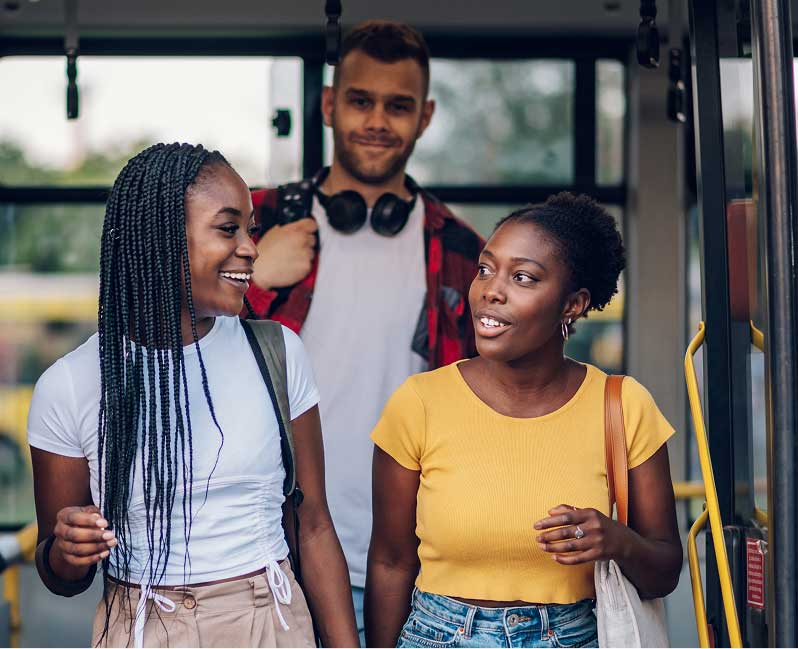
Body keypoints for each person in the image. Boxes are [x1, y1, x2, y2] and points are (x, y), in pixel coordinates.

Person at [27, 143, 358, 648]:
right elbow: (61, 575)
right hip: (142, 623)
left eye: (249, 229)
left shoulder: (277, 352)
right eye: (229, 229)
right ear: (160, 239)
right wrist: (66, 552)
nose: (251, 247)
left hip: (269, 621)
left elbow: (312, 527)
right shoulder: (70, 385)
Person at [245, 20, 483, 639]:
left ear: (424, 117)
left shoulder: (462, 251)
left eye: (398, 106)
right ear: (328, 105)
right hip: (270, 552)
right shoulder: (254, 221)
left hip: (414, 561)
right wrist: (252, 273)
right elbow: (152, 329)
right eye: (360, 100)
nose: (377, 120)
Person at [367, 193, 683, 648]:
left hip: (575, 636)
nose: (491, 290)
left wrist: (616, 541)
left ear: (573, 305)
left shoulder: (624, 406)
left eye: (522, 277)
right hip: (437, 636)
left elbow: (665, 571)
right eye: (485, 269)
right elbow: (391, 563)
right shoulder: (419, 402)